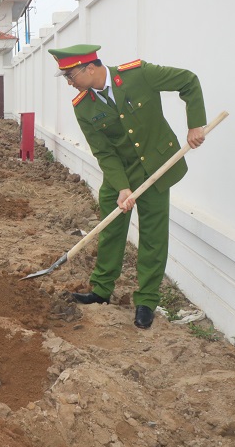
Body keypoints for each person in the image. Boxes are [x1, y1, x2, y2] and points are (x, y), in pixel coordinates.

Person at [47, 44, 207, 329]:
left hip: (155, 168)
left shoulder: (139, 75)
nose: (69, 83)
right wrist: (121, 187)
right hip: (119, 173)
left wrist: (196, 125)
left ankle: (146, 301)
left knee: (153, 236)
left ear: (90, 68)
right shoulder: (83, 107)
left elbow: (188, 80)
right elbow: (104, 151)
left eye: (71, 76)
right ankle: (101, 290)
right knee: (111, 231)